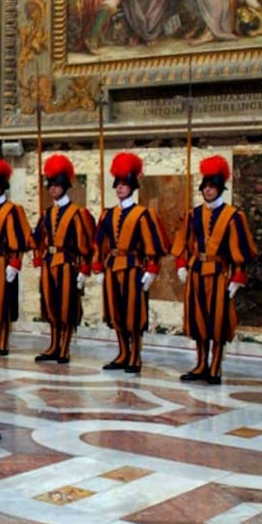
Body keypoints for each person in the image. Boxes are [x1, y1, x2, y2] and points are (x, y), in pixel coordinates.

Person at [173, 156, 256, 384]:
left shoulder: (233, 216)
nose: (208, 191)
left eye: (212, 187)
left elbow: (242, 250)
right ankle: (200, 364)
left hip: (220, 273)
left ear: (220, 189)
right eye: (205, 187)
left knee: (217, 322)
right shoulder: (193, 215)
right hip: (196, 271)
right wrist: (182, 265)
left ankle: (215, 367)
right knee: (198, 320)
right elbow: (183, 243)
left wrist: (237, 278)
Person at [94, 153, 169, 374]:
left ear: (132, 187)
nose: (119, 189)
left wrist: (152, 270)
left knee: (134, 314)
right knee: (116, 313)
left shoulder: (144, 214)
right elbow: (100, 243)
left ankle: (135, 354)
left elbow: (153, 245)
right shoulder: (107, 215)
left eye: (124, 185)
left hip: (133, 268)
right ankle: (122, 352)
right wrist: (98, 266)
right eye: (117, 184)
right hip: (112, 267)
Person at [33, 154, 96, 363]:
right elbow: (39, 239)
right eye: (50, 185)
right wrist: (38, 260)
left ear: (64, 186)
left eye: (56, 185)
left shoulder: (79, 213)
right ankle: (53, 344)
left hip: (68, 265)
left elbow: (87, 244)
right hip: (49, 263)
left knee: (66, 307)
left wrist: (85, 269)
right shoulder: (47, 213)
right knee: (50, 306)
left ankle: (65, 347)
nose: (52, 189)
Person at [0, 160, 33, 356]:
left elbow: (21, 237)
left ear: (2, 188)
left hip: (5, 260)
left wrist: (15, 263)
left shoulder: (13, 210)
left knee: (4, 301)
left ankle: (3, 340)